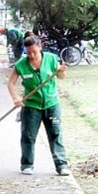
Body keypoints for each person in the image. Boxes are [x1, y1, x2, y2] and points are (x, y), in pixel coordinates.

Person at [7, 35, 69, 176]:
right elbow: (10, 83)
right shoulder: (21, 65)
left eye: (34, 52)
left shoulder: (51, 59)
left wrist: (62, 71)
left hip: (51, 104)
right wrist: (16, 98)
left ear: (40, 48)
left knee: (55, 134)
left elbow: (61, 76)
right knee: (28, 135)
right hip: (31, 106)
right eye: (28, 52)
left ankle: (61, 165)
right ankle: (27, 164)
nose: (32, 55)